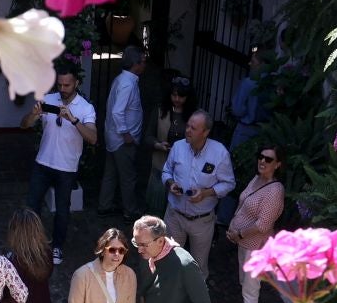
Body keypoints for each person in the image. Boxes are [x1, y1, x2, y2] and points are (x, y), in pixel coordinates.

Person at [20, 63, 97, 266]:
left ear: (76, 84)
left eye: (67, 85)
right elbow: (24, 124)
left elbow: (93, 138)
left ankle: (57, 247)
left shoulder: (85, 108)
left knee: (62, 210)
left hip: (66, 168)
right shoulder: (48, 99)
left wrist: (73, 120)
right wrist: (34, 114)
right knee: (31, 206)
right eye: (60, 84)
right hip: (43, 163)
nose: (62, 89)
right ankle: (30, 244)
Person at [221, 144, 287, 303]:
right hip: (244, 242)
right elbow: (243, 205)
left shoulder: (275, 191)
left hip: (256, 246)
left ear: (277, 165)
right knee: (244, 282)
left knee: (251, 288)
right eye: (261, 157)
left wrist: (238, 233)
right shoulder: (256, 179)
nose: (262, 161)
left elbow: (263, 224)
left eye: (268, 159)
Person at [162, 110, 235, 270]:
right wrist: (170, 183)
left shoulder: (220, 153)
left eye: (193, 128)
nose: (187, 130)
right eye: (187, 126)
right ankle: (171, 293)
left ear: (205, 132)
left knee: (198, 266)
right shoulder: (178, 147)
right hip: (175, 216)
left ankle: (196, 293)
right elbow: (166, 171)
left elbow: (229, 184)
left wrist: (206, 193)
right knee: (169, 261)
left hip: (202, 220)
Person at [219, 46, 267, 225]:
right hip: (264, 132)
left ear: (261, 64)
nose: (249, 63)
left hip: (245, 130)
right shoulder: (274, 83)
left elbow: (237, 109)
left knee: (232, 173)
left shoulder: (249, 83)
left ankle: (224, 218)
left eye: (253, 61)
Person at [99, 45, 146, 217]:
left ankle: (104, 205)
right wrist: (126, 134)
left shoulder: (122, 79)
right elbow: (117, 111)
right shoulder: (128, 84)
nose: (145, 65)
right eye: (143, 62)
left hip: (112, 137)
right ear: (136, 64)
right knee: (128, 178)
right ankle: (130, 211)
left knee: (110, 173)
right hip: (122, 140)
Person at [141, 74, 193, 215]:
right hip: (160, 164)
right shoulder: (160, 111)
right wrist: (158, 144)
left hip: (183, 169)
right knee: (156, 208)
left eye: (181, 96)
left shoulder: (193, 116)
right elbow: (148, 137)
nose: (177, 99)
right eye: (174, 95)